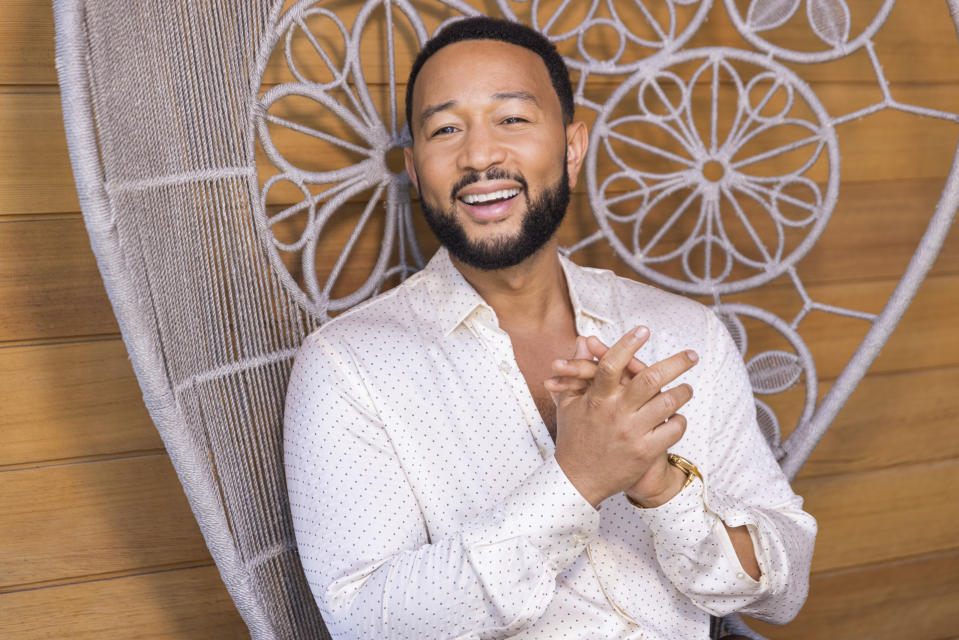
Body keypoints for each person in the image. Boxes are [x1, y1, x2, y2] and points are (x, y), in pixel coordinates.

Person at [284, 16, 816, 640]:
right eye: (446, 129)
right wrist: (579, 480)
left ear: (570, 145)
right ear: (414, 165)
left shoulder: (683, 333)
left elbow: (784, 592)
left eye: (511, 119)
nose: (480, 155)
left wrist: (661, 486)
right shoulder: (348, 368)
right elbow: (364, 625)